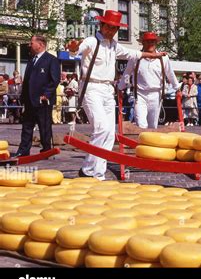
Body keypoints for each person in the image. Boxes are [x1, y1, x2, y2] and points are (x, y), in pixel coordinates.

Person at [67, 10, 166, 180]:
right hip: (91, 88)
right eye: (109, 27)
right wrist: (74, 47)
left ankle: (94, 171)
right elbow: (76, 50)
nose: (111, 31)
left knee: (109, 132)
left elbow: (133, 54)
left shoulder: (114, 45)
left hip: (107, 90)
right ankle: (91, 170)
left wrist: (154, 55)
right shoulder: (91, 41)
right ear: (102, 25)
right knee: (101, 129)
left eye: (115, 29)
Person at [118, 31, 179, 129]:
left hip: (156, 95)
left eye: (153, 41)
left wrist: (177, 88)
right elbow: (127, 74)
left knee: (152, 125)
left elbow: (170, 73)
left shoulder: (164, 58)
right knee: (141, 124)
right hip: (140, 95)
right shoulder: (136, 57)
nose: (150, 44)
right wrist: (120, 87)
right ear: (143, 43)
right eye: (148, 41)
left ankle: (149, 143)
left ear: (156, 43)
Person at [13, 35, 60, 157]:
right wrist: (22, 97)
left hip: (43, 100)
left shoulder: (51, 60)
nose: (29, 45)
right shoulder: (31, 60)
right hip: (29, 100)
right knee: (27, 126)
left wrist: (46, 94)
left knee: (44, 127)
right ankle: (23, 150)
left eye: (32, 42)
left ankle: (46, 150)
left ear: (41, 44)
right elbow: (27, 80)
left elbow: (55, 80)